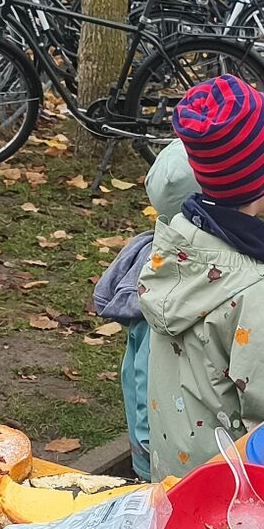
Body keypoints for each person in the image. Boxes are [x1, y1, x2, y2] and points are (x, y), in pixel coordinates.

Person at [139, 76, 264, 475]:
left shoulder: (178, 246)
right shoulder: (253, 293)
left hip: (177, 471)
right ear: (261, 181)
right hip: (237, 486)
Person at [92, 141, 197, 480]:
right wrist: (147, 444)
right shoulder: (179, 274)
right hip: (167, 446)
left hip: (158, 438)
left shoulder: (150, 255)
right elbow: (145, 372)